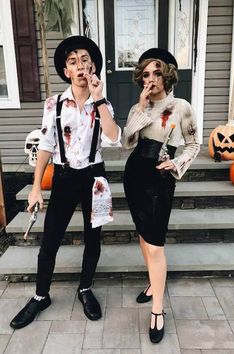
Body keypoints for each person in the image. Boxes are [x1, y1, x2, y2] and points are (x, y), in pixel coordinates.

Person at [10, 35, 121, 329]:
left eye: (85, 60)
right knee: (50, 240)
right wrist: (35, 187)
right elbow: (46, 143)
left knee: (93, 238)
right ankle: (40, 295)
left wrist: (98, 98)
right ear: (66, 71)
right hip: (64, 176)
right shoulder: (54, 103)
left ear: (93, 66)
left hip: (95, 178)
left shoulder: (104, 103)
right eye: (73, 62)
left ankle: (85, 288)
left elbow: (114, 136)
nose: (80, 65)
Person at [123, 48, 200, 343]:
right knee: (143, 237)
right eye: (146, 74)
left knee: (155, 244)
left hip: (159, 178)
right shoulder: (137, 108)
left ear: (167, 74)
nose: (151, 78)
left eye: (157, 72)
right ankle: (153, 285)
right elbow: (127, 142)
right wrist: (141, 107)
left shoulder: (180, 106)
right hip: (134, 175)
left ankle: (158, 309)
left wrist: (177, 162)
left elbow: (193, 144)